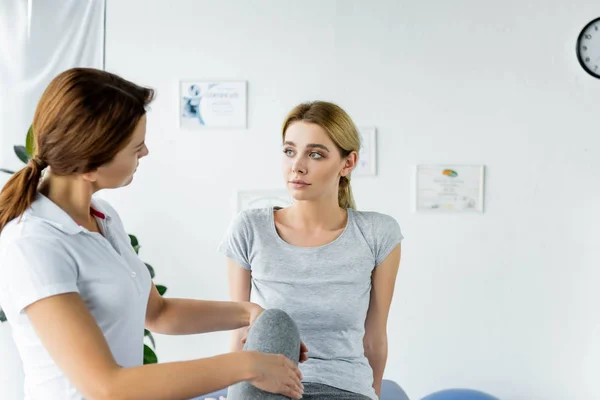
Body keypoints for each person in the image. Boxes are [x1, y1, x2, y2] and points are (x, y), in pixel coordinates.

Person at [0, 68, 305, 400]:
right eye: (136, 147)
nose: (144, 153)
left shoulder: (102, 217)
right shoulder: (33, 244)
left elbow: (159, 313)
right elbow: (107, 387)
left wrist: (248, 313)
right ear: (90, 166)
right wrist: (248, 366)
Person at [219, 101, 403, 400]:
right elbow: (240, 331)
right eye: (289, 151)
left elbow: (374, 338)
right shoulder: (250, 228)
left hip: (342, 387)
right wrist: (232, 393)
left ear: (348, 163)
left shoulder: (377, 233)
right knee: (271, 324)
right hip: (266, 386)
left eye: (315, 154)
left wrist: (375, 394)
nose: (297, 165)